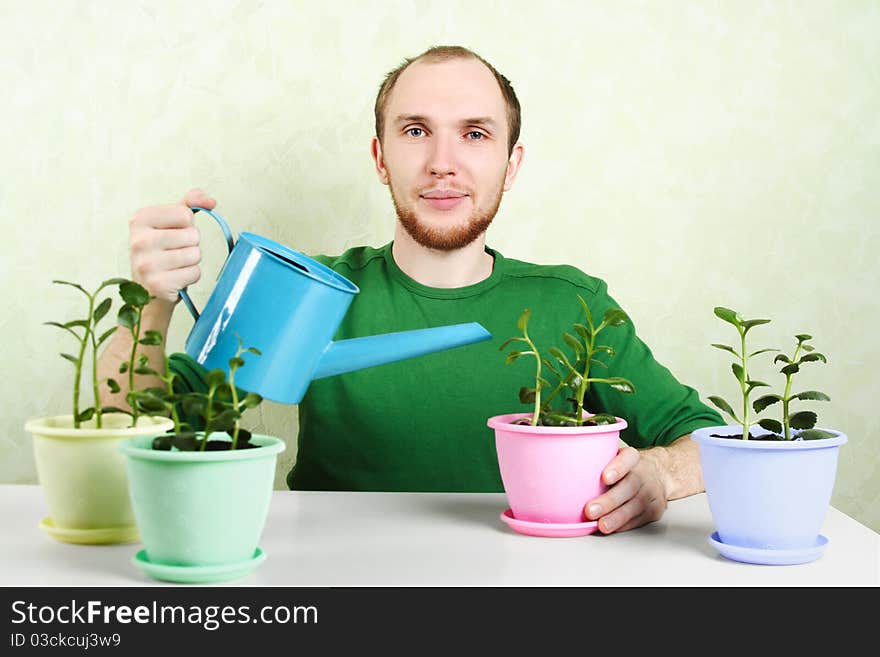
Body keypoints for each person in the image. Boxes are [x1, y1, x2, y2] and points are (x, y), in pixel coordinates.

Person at [98, 45, 721, 535]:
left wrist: (661, 475)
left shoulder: (572, 303)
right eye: (416, 131)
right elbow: (126, 423)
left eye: (475, 134)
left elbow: (709, 439)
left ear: (512, 163)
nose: (442, 162)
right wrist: (149, 300)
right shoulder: (312, 291)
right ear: (380, 156)